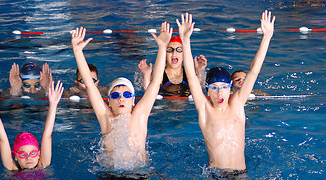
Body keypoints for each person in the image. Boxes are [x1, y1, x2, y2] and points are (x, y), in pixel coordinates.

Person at [177, 11, 275, 171]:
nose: (219, 92)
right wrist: (185, 40)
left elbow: (253, 72)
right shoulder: (205, 109)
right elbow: (192, 77)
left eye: (223, 87)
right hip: (214, 175)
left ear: (230, 89)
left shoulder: (237, 105)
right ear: (208, 92)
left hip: (240, 174)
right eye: (214, 88)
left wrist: (267, 37)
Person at [71, 22, 172, 170]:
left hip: (138, 174)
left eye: (126, 94)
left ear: (133, 101)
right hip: (110, 175)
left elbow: (156, 82)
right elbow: (90, 85)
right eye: (116, 95)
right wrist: (77, 52)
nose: (121, 98)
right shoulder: (106, 118)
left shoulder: (140, 116)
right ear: (109, 102)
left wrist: (162, 47)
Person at [0, 79, 63, 170]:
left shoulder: (44, 164)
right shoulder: (12, 168)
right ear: (16, 156)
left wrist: (53, 104)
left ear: (39, 154)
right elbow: (2, 139)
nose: (29, 158)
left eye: (33, 153)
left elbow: (47, 136)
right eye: (23, 154)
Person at [138, 35, 207, 97]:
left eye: (179, 50)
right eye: (170, 50)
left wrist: (200, 71)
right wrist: (146, 75)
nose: (174, 53)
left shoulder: (190, 73)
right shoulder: (159, 74)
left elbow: (199, 91)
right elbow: (148, 94)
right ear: (164, 55)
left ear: (184, 55)